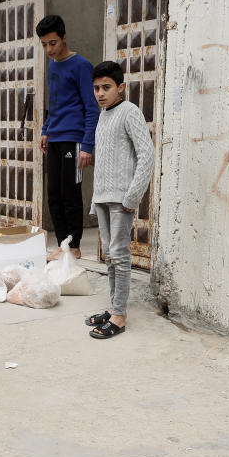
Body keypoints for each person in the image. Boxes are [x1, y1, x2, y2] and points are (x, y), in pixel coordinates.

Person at [84, 60, 154, 339]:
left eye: (106, 87)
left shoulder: (129, 112)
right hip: (103, 197)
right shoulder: (103, 115)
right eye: (97, 88)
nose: (100, 93)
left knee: (121, 257)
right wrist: (96, 198)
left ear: (121, 87)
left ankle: (120, 316)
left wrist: (133, 196)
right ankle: (114, 308)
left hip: (121, 198)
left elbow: (146, 155)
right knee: (111, 257)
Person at [36, 14, 100, 260]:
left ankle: (74, 246)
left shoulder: (81, 66)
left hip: (74, 139)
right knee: (53, 194)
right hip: (55, 137)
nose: (49, 49)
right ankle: (63, 245)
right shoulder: (53, 65)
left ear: (64, 38)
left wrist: (87, 144)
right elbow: (54, 103)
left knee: (70, 194)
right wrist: (45, 129)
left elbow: (92, 108)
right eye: (44, 45)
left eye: (53, 43)